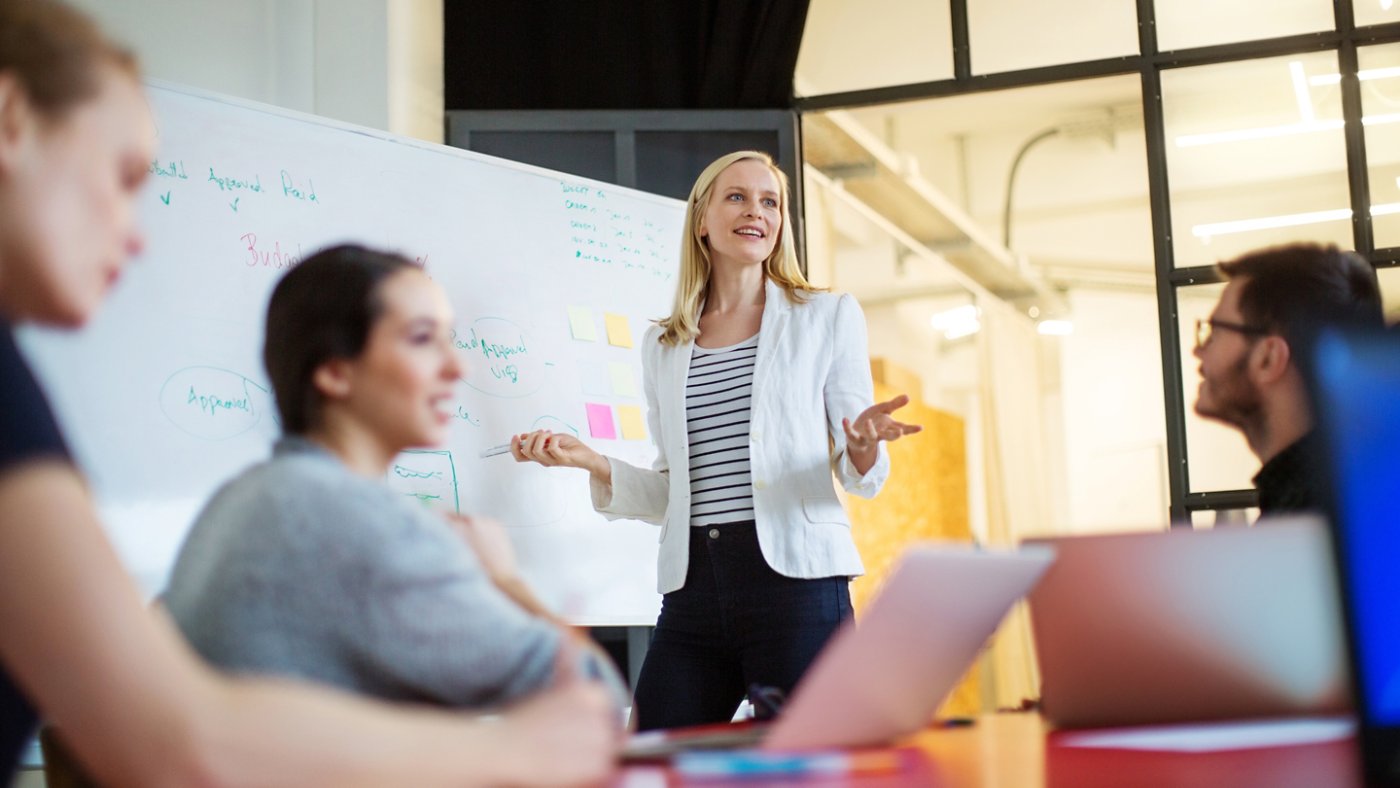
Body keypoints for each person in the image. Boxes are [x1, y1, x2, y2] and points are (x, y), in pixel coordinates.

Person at [0, 2, 616, 785]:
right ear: (11, 118)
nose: (136, 231)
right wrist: (499, 581)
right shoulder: (353, 517)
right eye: (123, 177)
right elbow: (592, 700)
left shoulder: (245, 500)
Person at [513, 150, 920, 730]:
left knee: (814, 765)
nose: (756, 211)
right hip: (695, 586)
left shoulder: (825, 316)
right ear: (701, 218)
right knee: (649, 755)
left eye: (770, 201)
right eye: (737, 196)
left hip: (797, 587)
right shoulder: (665, 344)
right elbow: (671, 495)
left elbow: (862, 473)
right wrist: (593, 463)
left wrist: (861, 444)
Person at [163, 245, 628, 715]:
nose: (458, 366)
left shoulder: (235, 502)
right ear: (334, 372)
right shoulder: (369, 524)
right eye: (423, 339)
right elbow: (596, 700)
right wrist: (505, 581)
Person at [1193, 242, 1383, 516]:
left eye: (1214, 332)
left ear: (1269, 358)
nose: (1198, 350)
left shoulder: (1315, 523)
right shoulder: (1358, 490)